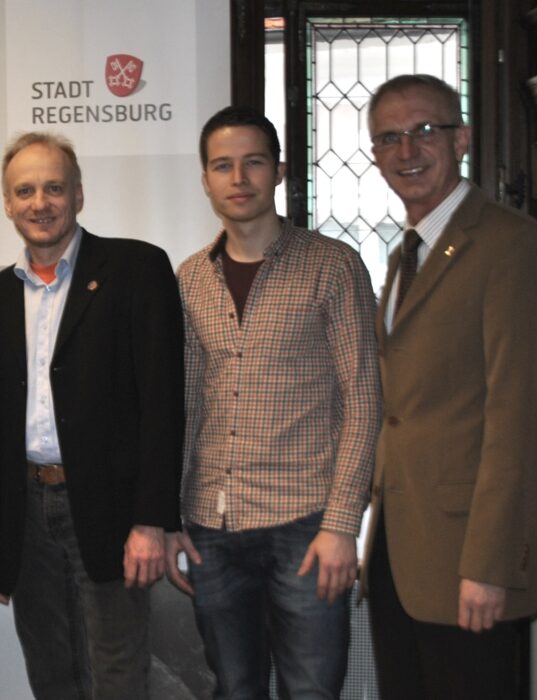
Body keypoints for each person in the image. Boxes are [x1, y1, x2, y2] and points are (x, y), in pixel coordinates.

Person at [164, 106, 381, 698]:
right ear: (205, 180)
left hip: (306, 525)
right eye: (223, 166)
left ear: (279, 171)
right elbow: (185, 405)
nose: (238, 179)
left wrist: (342, 525)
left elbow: (364, 401)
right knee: (234, 689)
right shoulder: (190, 277)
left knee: (311, 690)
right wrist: (172, 515)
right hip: (211, 526)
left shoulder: (333, 265)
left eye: (253, 163)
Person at [0, 131, 184, 699]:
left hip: (111, 510)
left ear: (79, 194)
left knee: (118, 676)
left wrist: (152, 520)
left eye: (54, 188)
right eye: (25, 191)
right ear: (7, 203)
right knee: (51, 674)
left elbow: (162, 403)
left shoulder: (137, 268)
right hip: (25, 512)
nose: (39, 203)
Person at [361, 74, 537, 699]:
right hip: (398, 550)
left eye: (424, 131)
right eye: (389, 138)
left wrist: (491, 565)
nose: (407, 151)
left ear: (461, 139)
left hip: (468, 560)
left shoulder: (512, 245)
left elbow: (517, 419)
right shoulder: (405, 254)